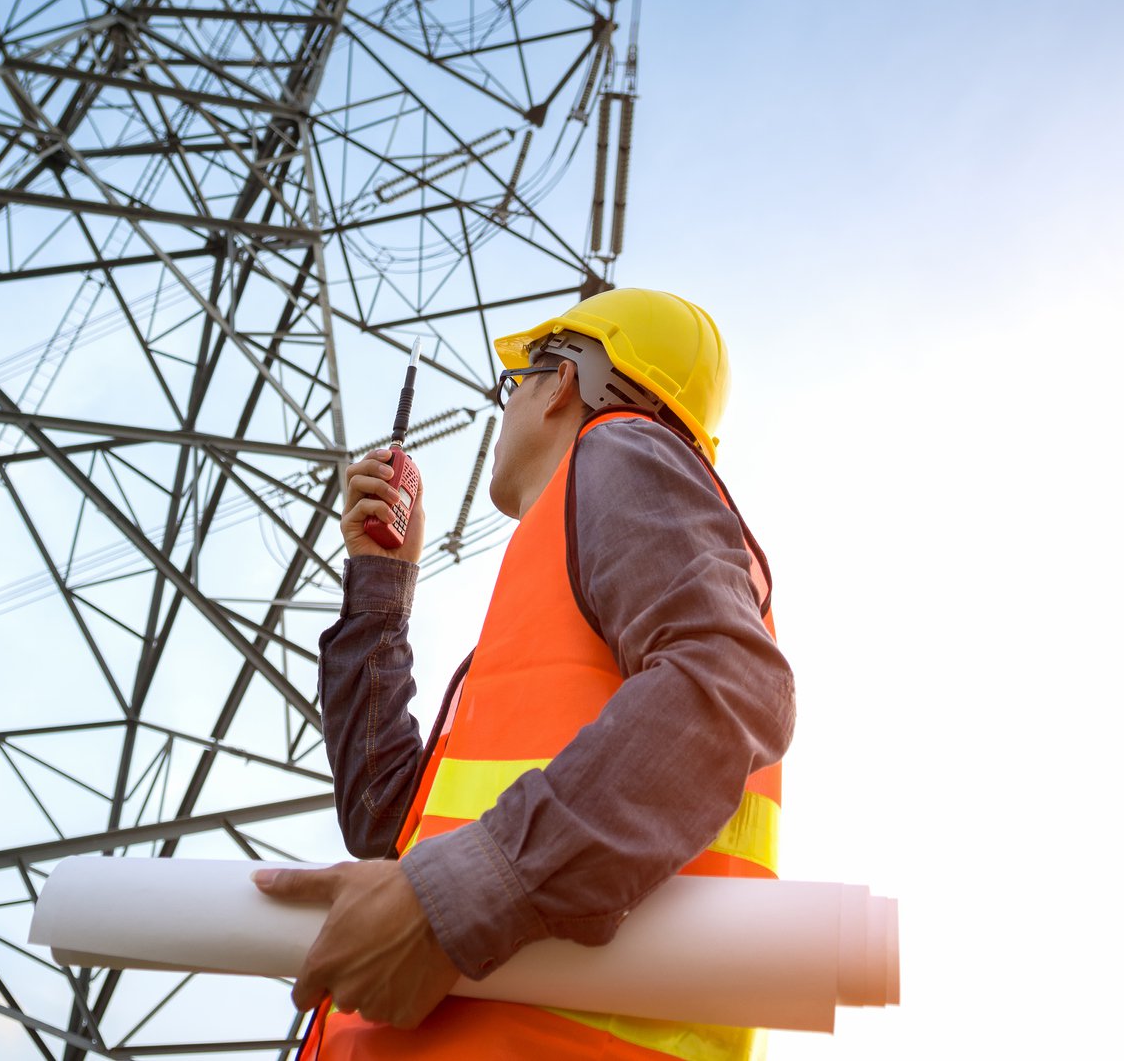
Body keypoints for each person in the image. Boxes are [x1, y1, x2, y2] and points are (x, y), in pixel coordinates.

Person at [253, 288, 796, 1061]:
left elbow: (729, 685)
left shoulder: (622, 447)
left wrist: (463, 895)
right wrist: (380, 585)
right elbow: (386, 820)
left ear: (562, 381)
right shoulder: (558, 588)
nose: (507, 406)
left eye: (515, 384)